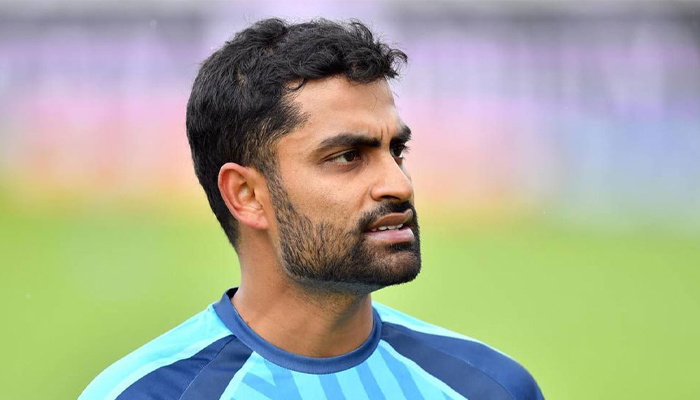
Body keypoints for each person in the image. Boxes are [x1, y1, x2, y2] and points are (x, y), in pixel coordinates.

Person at [80, 18, 544, 400]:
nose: (399, 184)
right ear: (246, 195)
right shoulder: (145, 394)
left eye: (396, 151)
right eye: (347, 156)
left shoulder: (491, 388)